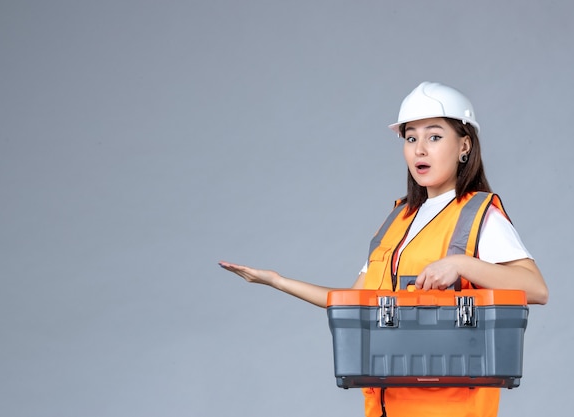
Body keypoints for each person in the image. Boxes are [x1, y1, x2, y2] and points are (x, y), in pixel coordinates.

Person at [219, 81, 549, 417]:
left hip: (450, 409)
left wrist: (461, 264)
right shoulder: (397, 220)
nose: (420, 149)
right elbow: (354, 301)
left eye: (434, 136)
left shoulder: (478, 215)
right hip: (386, 408)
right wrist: (278, 281)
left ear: (464, 145)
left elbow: (536, 289)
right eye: (411, 137)